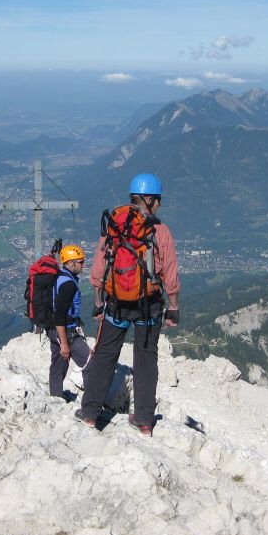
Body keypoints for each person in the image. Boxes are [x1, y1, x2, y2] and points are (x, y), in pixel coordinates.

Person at [75, 173, 180, 435]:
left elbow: (100, 267)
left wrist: (99, 303)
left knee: (105, 354)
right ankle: (144, 420)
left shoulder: (114, 225)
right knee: (146, 359)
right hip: (150, 305)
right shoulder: (160, 231)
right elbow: (169, 271)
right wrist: (174, 307)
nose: (159, 205)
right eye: (158, 200)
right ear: (150, 199)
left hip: (117, 304)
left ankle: (90, 413)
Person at [47, 244, 92, 400]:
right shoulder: (68, 284)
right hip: (66, 331)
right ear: (71, 263)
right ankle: (91, 404)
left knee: (59, 364)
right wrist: (65, 343)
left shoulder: (60, 277)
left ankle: (55, 397)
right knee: (90, 363)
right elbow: (60, 314)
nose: (83, 264)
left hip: (53, 329)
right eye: (80, 262)